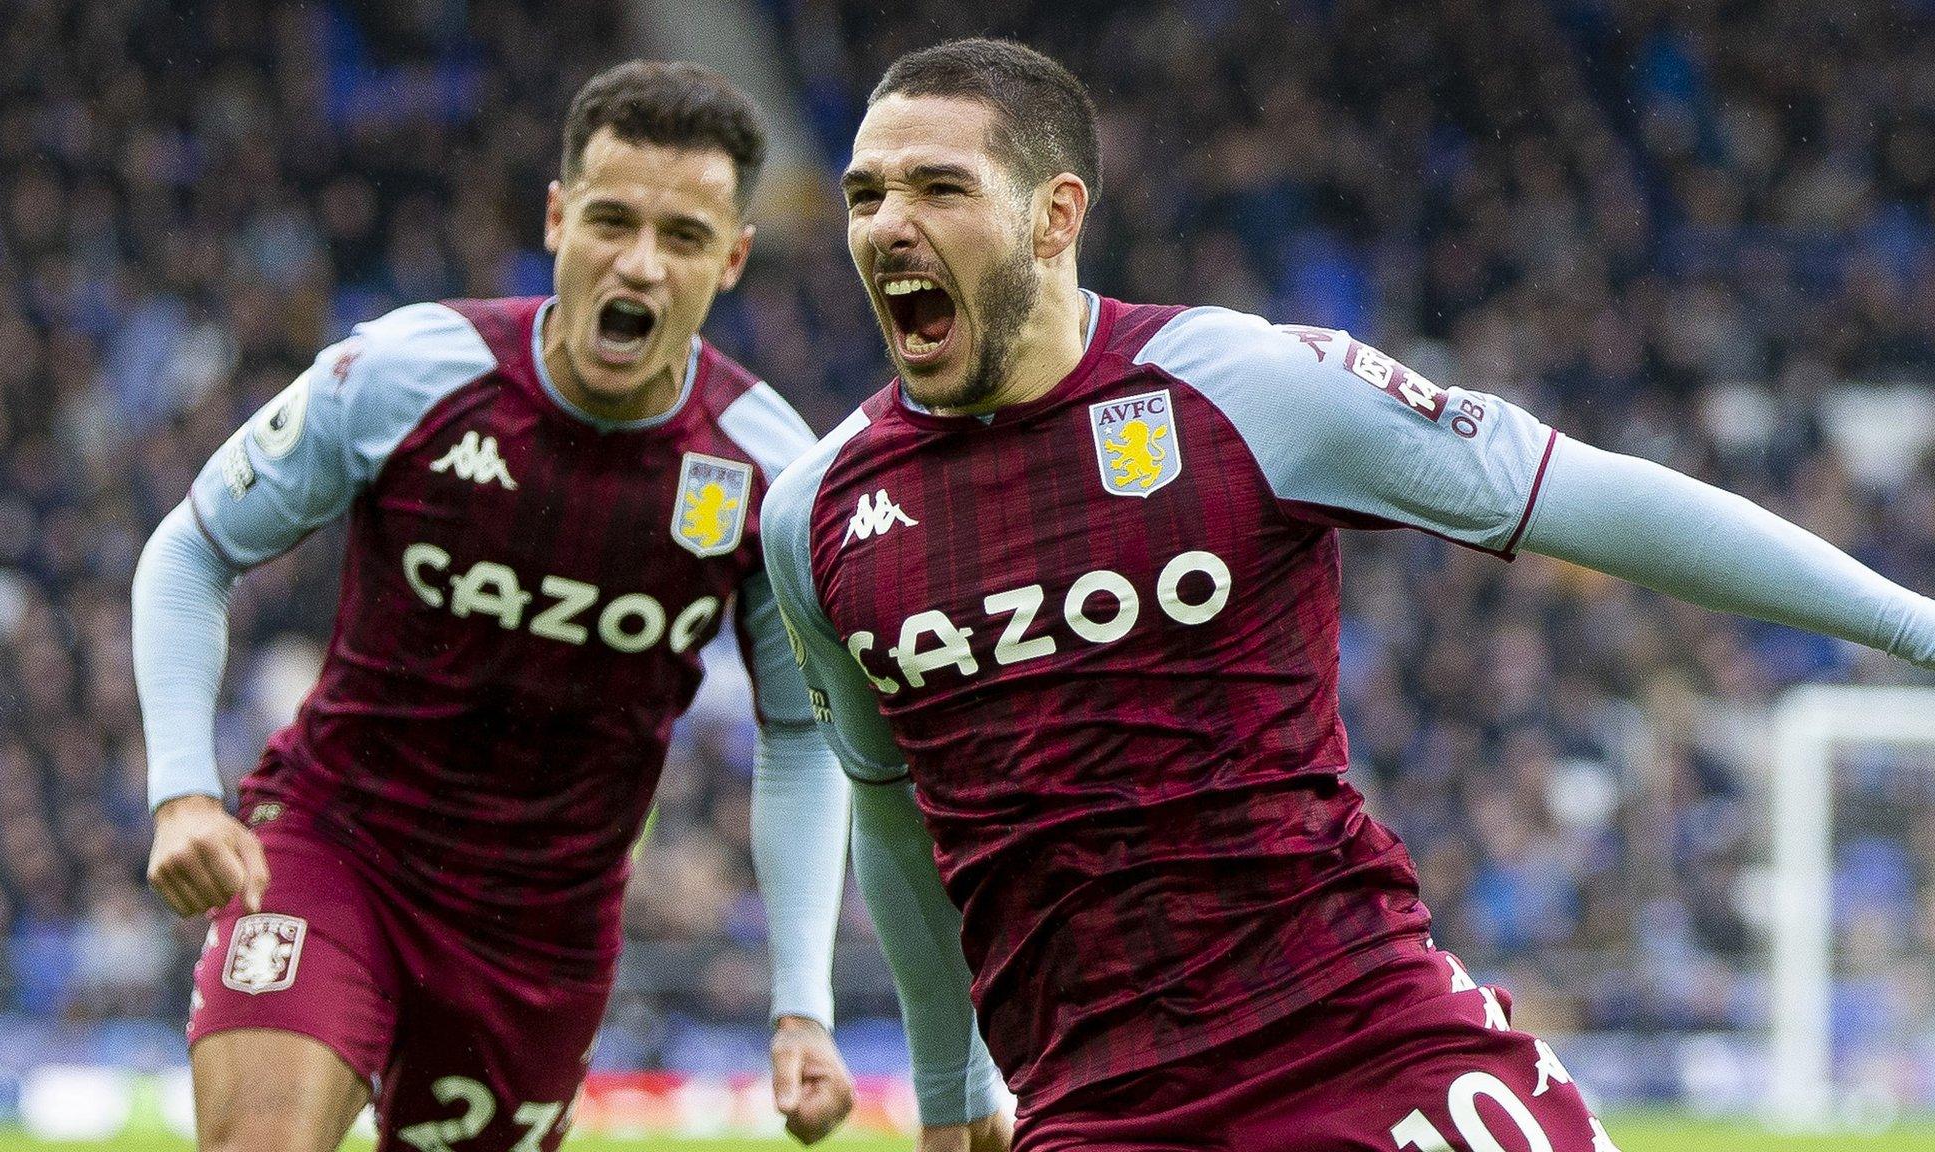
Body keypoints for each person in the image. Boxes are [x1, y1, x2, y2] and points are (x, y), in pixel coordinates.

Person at [762, 37, 1935, 1152]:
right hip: (1099, 1103)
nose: (885, 226)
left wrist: (1910, 626)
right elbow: (891, 809)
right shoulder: (812, 518)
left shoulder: (1246, 389)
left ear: (1054, 214)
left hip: (1366, 1033)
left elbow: (1587, 499)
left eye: (936, 188)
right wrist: (946, 1083)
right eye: (865, 195)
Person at [133, 61, 856, 1152]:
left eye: (684, 236)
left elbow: (801, 734)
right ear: (558, 217)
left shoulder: (768, 470)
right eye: (610, 219)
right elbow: (191, 549)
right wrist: (184, 790)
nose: (639, 264)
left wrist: (801, 999)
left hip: (542, 932)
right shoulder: (404, 373)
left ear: (733, 259)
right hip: (336, 851)